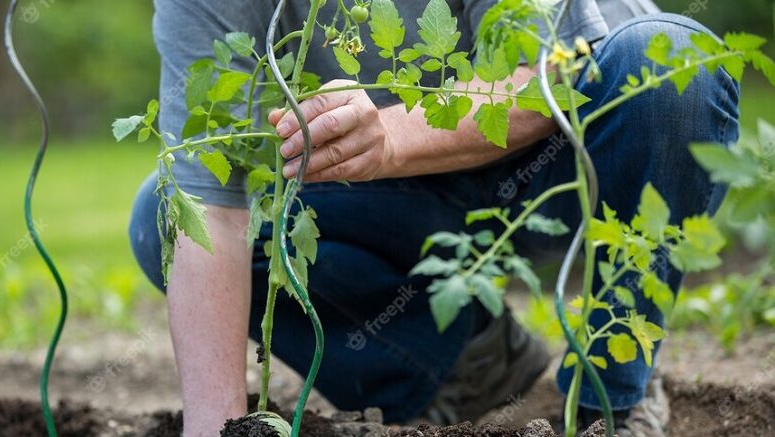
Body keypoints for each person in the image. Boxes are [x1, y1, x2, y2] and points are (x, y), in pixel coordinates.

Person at [130, 1, 739, 436]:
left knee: (673, 65)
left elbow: (545, 71)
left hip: (582, 145)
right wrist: (218, 427)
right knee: (158, 215)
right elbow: (208, 201)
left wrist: (392, 137)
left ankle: (612, 397)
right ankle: (471, 365)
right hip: (390, 190)